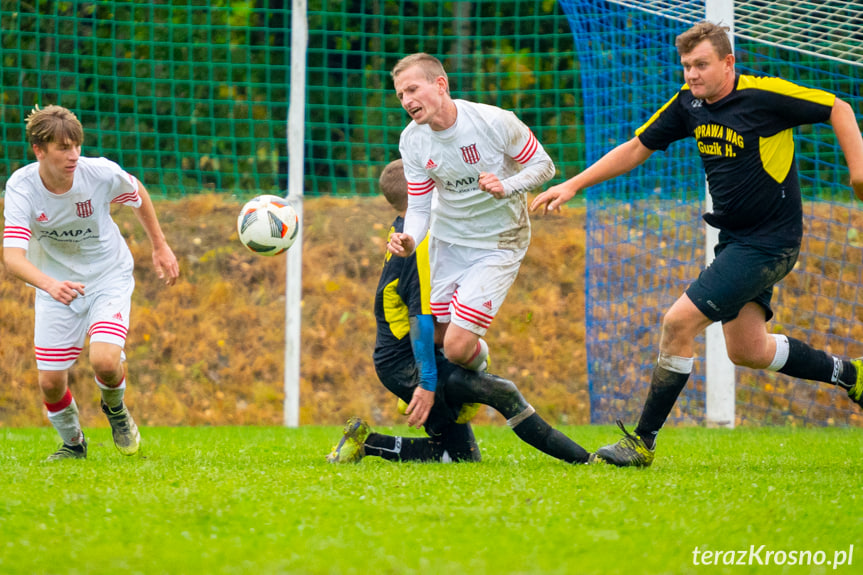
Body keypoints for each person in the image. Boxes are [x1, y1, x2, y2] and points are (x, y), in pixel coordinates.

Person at [530, 21, 863, 467]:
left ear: (728, 62)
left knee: (677, 323)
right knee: (748, 349)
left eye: (701, 64)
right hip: (736, 240)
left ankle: (641, 443)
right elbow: (635, 148)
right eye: (686, 66)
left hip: (771, 242)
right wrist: (573, 185)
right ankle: (852, 374)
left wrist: (858, 173)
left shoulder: (765, 95)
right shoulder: (689, 104)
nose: (691, 74)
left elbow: (838, 108)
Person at [327, 159, 591, 465]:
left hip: (402, 358)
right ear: (419, 191)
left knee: (460, 457)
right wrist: (425, 383)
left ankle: (365, 443)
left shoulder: (405, 229)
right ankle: (587, 460)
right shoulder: (419, 244)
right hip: (408, 362)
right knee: (503, 392)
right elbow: (420, 320)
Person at [3, 105, 180, 461]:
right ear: (39, 150)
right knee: (51, 384)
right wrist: (50, 285)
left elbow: (137, 193)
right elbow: (12, 258)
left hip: (107, 277)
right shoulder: (22, 188)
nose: (73, 156)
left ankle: (115, 409)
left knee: (104, 360)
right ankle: (73, 444)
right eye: (63, 148)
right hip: (56, 288)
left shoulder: (98, 173)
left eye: (76, 146)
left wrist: (159, 245)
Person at [386, 53, 556, 421]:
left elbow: (545, 166)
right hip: (449, 241)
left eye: (413, 89)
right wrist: (410, 240)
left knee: (458, 347)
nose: (407, 100)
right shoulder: (413, 141)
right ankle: (464, 385)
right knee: (439, 341)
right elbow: (418, 207)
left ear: (440, 85)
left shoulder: (493, 121)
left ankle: (479, 370)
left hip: (500, 242)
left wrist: (506, 186)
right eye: (400, 95)